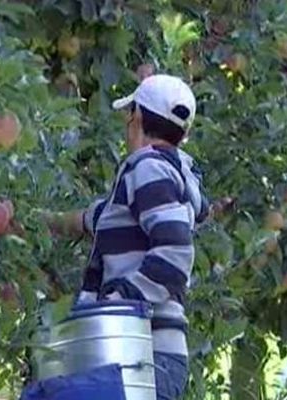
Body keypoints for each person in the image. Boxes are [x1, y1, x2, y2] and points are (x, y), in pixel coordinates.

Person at [45, 74, 210, 400]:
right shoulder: (163, 175)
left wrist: (116, 304)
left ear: (136, 116)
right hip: (148, 358)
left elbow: (174, 256)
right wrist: (36, 222)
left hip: (143, 356)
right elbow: (98, 218)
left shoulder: (146, 169)